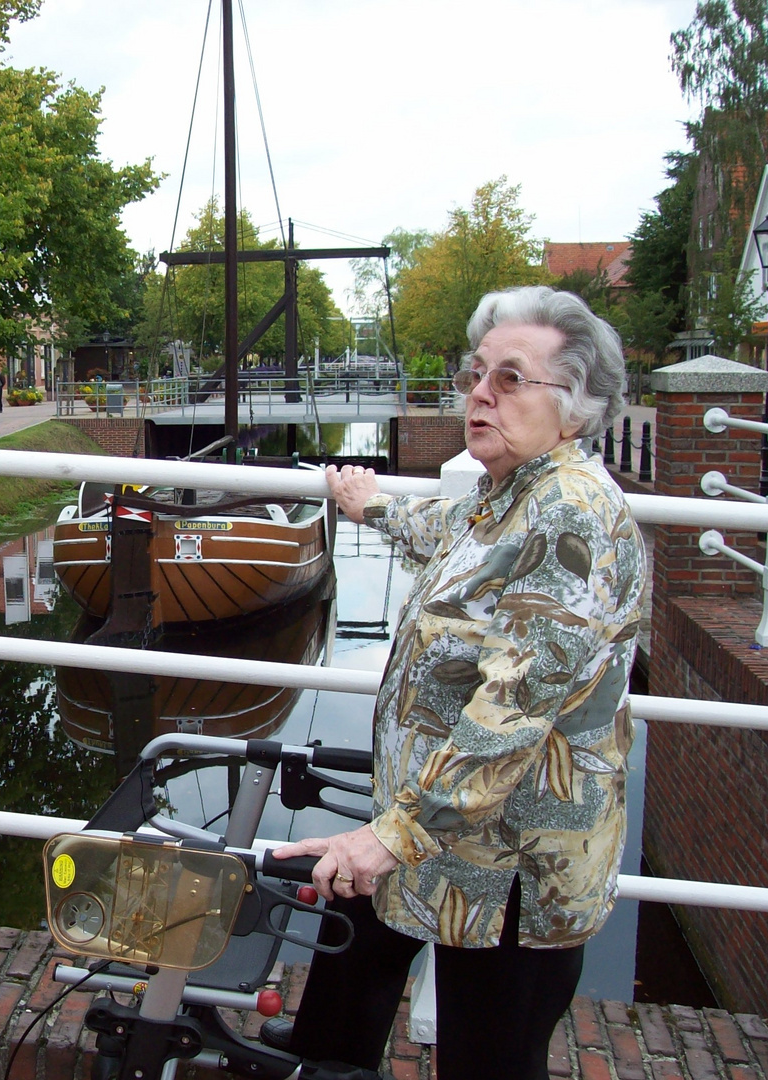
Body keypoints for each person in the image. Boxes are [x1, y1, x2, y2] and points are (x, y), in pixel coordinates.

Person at [271, 286, 645, 1080]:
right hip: (440, 833)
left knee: (489, 1058)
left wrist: (390, 835)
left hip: (512, 862)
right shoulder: (505, 493)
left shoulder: (571, 514)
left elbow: (512, 711)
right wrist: (370, 507)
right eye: (475, 375)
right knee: (349, 974)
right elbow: (449, 534)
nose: (478, 393)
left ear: (573, 409)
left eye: (510, 380)